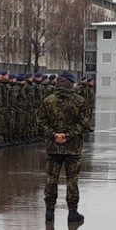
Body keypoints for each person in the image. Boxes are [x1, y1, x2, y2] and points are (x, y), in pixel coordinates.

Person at [37, 71, 89, 222]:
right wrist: (68, 135)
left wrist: (55, 135)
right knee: (72, 179)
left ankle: (49, 211)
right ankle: (72, 212)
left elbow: (41, 121)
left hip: (54, 147)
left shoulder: (48, 100)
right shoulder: (79, 101)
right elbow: (84, 123)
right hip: (72, 148)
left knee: (51, 178)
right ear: (71, 83)